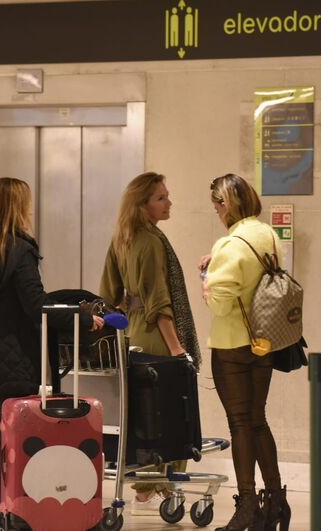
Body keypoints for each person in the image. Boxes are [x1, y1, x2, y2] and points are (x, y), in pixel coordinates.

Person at [0, 177, 104, 531]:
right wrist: (80, 316)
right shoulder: (19, 250)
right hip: (13, 357)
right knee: (11, 439)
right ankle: (10, 513)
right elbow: (37, 307)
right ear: (19, 207)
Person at [99, 171, 201, 515]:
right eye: (161, 198)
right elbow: (160, 301)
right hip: (157, 336)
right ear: (142, 205)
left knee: (141, 412)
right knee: (174, 410)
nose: (168, 202)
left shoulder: (121, 239)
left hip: (131, 332)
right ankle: (157, 485)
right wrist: (177, 349)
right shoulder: (153, 241)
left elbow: (108, 294)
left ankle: (142, 482)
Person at [201, 174, 290, 531]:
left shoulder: (229, 243)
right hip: (264, 342)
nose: (217, 212)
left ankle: (248, 505)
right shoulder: (267, 235)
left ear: (228, 204)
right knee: (258, 419)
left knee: (239, 424)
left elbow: (220, 304)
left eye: (217, 204)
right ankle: (276, 502)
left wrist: (207, 279)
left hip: (233, 344)